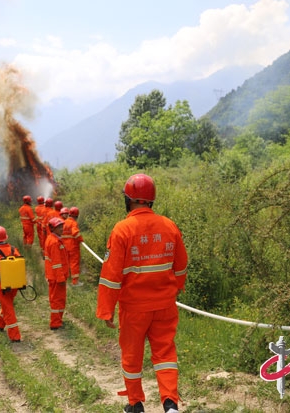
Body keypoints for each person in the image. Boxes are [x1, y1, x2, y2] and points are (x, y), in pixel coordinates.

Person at [97, 173, 187, 413]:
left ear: (128, 200)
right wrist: (175, 290)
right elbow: (181, 266)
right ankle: (170, 404)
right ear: (151, 200)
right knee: (165, 353)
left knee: (132, 356)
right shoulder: (169, 226)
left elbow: (111, 275)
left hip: (134, 309)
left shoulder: (122, 230)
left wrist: (106, 310)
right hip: (165, 306)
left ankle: (135, 403)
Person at [44, 216, 69, 330]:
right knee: (56, 300)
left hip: (56, 276)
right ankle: (55, 323)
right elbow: (57, 263)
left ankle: (58, 320)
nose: (61, 229)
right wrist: (61, 278)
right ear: (52, 229)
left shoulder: (54, 239)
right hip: (57, 277)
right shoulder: (54, 242)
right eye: (59, 227)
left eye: (62, 226)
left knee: (59, 299)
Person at [62, 206, 84, 286]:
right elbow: (75, 233)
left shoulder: (64, 222)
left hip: (65, 247)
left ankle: (66, 278)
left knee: (66, 263)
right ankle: (75, 282)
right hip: (73, 247)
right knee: (74, 263)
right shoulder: (73, 223)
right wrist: (81, 239)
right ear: (76, 216)